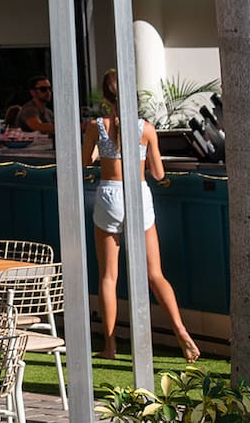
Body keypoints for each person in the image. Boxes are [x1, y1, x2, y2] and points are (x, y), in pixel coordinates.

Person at [82, 69, 198, 361]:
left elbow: (85, 161)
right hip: (138, 194)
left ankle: (110, 347)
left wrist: (100, 155)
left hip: (109, 195)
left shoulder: (96, 127)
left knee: (109, 276)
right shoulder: (146, 128)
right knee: (155, 273)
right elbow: (158, 174)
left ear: (106, 98)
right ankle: (181, 332)